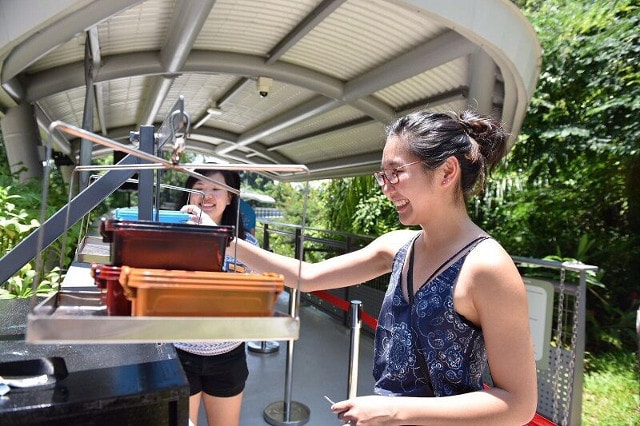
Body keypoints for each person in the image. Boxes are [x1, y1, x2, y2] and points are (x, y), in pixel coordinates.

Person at [229, 110, 538, 425]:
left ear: (447, 172)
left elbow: (519, 403)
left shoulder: (487, 267)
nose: (386, 188)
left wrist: (395, 411)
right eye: (383, 175)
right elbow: (307, 276)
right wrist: (228, 243)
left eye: (396, 173)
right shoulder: (398, 247)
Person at [176, 168, 258, 426]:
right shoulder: (170, 235)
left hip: (228, 354)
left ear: (231, 197)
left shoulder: (248, 246)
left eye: (215, 188)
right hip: (179, 352)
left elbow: (255, 299)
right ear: (188, 194)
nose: (206, 195)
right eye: (199, 188)